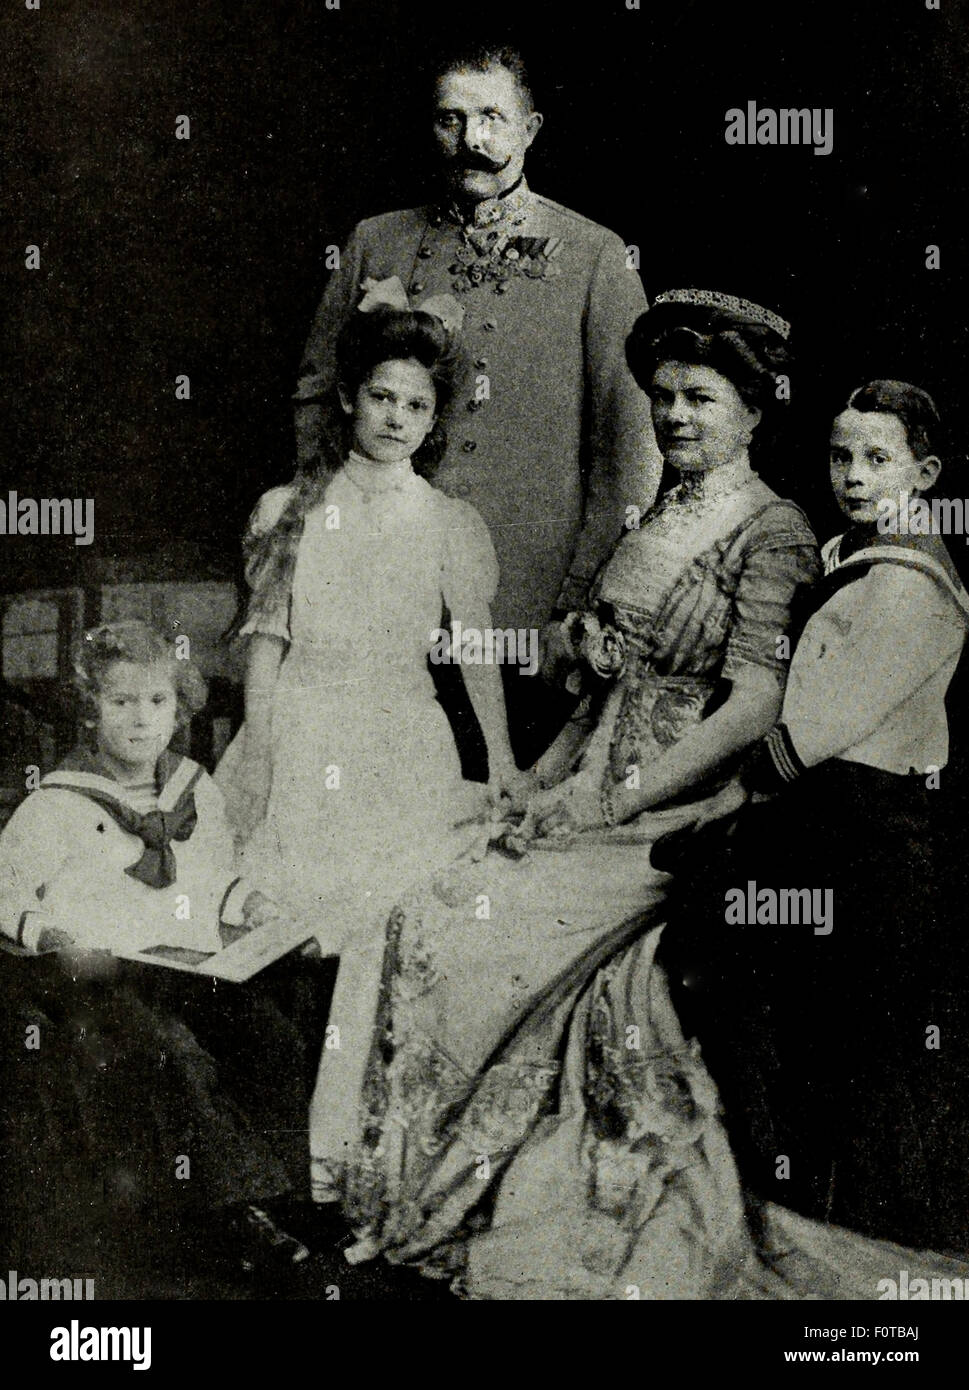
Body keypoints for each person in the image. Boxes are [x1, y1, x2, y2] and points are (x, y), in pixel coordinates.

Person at [305, 292, 901, 1299]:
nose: (675, 416)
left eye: (701, 398)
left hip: (676, 811)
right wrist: (545, 774)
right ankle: (375, 1184)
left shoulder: (777, 531)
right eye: (664, 397)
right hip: (585, 780)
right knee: (413, 894)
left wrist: (614, 804)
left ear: (753, 412)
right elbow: (609, 684)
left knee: (475, 928)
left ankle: (477, 1199)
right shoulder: (656, 514)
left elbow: (755, 703)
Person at [659, 380, 969, 1255]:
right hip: (830, 822)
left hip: (863, 833)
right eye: (841, 456)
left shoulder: (910, 579)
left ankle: (809, 1222)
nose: (854, 475)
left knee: (830, 1028)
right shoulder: (861, 552)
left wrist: (724, 803)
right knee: (775, 1004)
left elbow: (812, 735)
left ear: (926, 470)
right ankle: (763, 1189)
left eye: (878, 459)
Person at [294, 43, 661, 763]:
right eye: (450, 120)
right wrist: (326, 515)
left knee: (493, 795)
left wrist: (577, 598)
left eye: (492, 117)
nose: (472, 140)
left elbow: (631, 449)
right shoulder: (377, 241)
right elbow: (316, 393)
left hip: (522, 592)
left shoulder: (594, 255)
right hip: (374, 575)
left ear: (530, 127)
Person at [0, 621, 311, 1278]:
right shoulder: (55, 802)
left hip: (185, 964)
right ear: (91, 710)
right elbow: (3, 891)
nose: (140, 721)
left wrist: (248, 905)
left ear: (179, 708)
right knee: (173, 1051)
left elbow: (215, 879)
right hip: (93, 973)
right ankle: (229, 1215)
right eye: (120, 703)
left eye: (156, 702)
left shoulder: (196, 790)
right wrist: (49, 936)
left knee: (269, 1035)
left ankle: (289, 1192)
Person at [216, 304, 516, 945]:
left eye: (416, 406)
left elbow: (477, 651)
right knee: (279, 919)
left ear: (434, 419)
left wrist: (502, 761)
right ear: (350, 398)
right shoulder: (286, 507)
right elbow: (267, 649)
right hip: (299, 729)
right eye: (382, 397)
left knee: (384, 926)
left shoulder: (449, 522)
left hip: (402, 736)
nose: (396, 418)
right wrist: (259, 761)